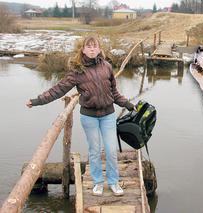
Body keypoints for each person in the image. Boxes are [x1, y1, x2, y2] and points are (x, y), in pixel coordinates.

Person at [26, 36, 135, 196]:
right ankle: (98, 182)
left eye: (94, 46)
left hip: (108, 115)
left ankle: (113, 182)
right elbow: (58, 90)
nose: (92, 49)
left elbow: (115, 93)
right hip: (89, 117)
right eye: (88, 46)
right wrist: (37, 101)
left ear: (99, 49)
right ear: (83, 49)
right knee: (95, 150)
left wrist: (128, 104)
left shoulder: (107, 67)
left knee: (111, 150)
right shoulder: (77, 71)